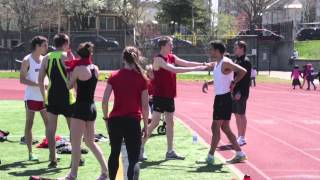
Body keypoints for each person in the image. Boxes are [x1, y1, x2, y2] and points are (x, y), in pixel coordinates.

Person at [140, 36, 208, 161]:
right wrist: (196, 69)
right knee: (154, 123)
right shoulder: (158, 60)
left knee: (170, 123)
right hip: (159, 96)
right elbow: (174, 69)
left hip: (169, 95)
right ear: (163, 46)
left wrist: (203, 64)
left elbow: (186, 63)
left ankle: (170, 151)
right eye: (170, 44)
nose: (172, 46)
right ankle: (140, 147)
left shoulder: (172, 57)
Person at [102, 46, 149, 180]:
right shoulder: (142, 79)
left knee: (114, 152)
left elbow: (104, 101)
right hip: (132, 121)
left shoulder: (114, 76)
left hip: (115, 121)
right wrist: (146, 126)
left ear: (123, 58)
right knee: (133, 158)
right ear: (137, 58)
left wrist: (106, 118)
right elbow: (145, 106)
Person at [63, 42, 108, 180]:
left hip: (81, 107)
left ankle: (73, 174)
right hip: (92, 107)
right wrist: (73, 66)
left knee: (75, 143)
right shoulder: (95, 68)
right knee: (90, 142)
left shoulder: (77, 69)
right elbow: (84, 85)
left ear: (79, 54)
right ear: (90, 54)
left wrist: (68, 72)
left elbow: (69, 86)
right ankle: (105, 172)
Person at [201, 40, 247, 164]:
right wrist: (208, 83)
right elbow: (220, 79)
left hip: (224, 99)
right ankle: (240, 153)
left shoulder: (225, 62)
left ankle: (210, 157)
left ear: (217, 50)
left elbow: (243, 71)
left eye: (211, 49)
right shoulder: (218, 63)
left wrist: (234, 82)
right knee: (225, 127)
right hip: (220, 98)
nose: (209, 51)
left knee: (215, 126)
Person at [38, 33, 76, 168]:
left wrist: (44, 97)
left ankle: (53, 158)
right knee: (73, 129)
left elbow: (40, 80)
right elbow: (73, 77)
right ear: (65, 43)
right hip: (67, 97)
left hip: (52, 97)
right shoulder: (66, 57)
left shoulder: (46, 58)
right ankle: (75, 159)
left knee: (50, 128)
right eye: (68, 43)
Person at [20, 36, 49, 161]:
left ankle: (52, 152)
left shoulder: (45, 59)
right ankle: (30, 153)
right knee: (29, 124)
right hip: (31, 97)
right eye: (44, 45)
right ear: (37, 46)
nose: (47, 47)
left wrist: (47, 85)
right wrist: (38, 84)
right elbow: (22, 79)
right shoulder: (27, 60)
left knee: (49, 124)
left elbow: (48, 77)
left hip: (44, 97)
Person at [232, 41, 252, 146]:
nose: (234, 49)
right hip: (234, 91)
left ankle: (242, 137)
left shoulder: (245, 61)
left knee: (241, 114)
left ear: (242, 48)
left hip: (241, 92)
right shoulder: (237, 60)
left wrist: (239, 92)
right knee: (236, 114)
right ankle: (239, 135)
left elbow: (245, 80)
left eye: (236, 47)